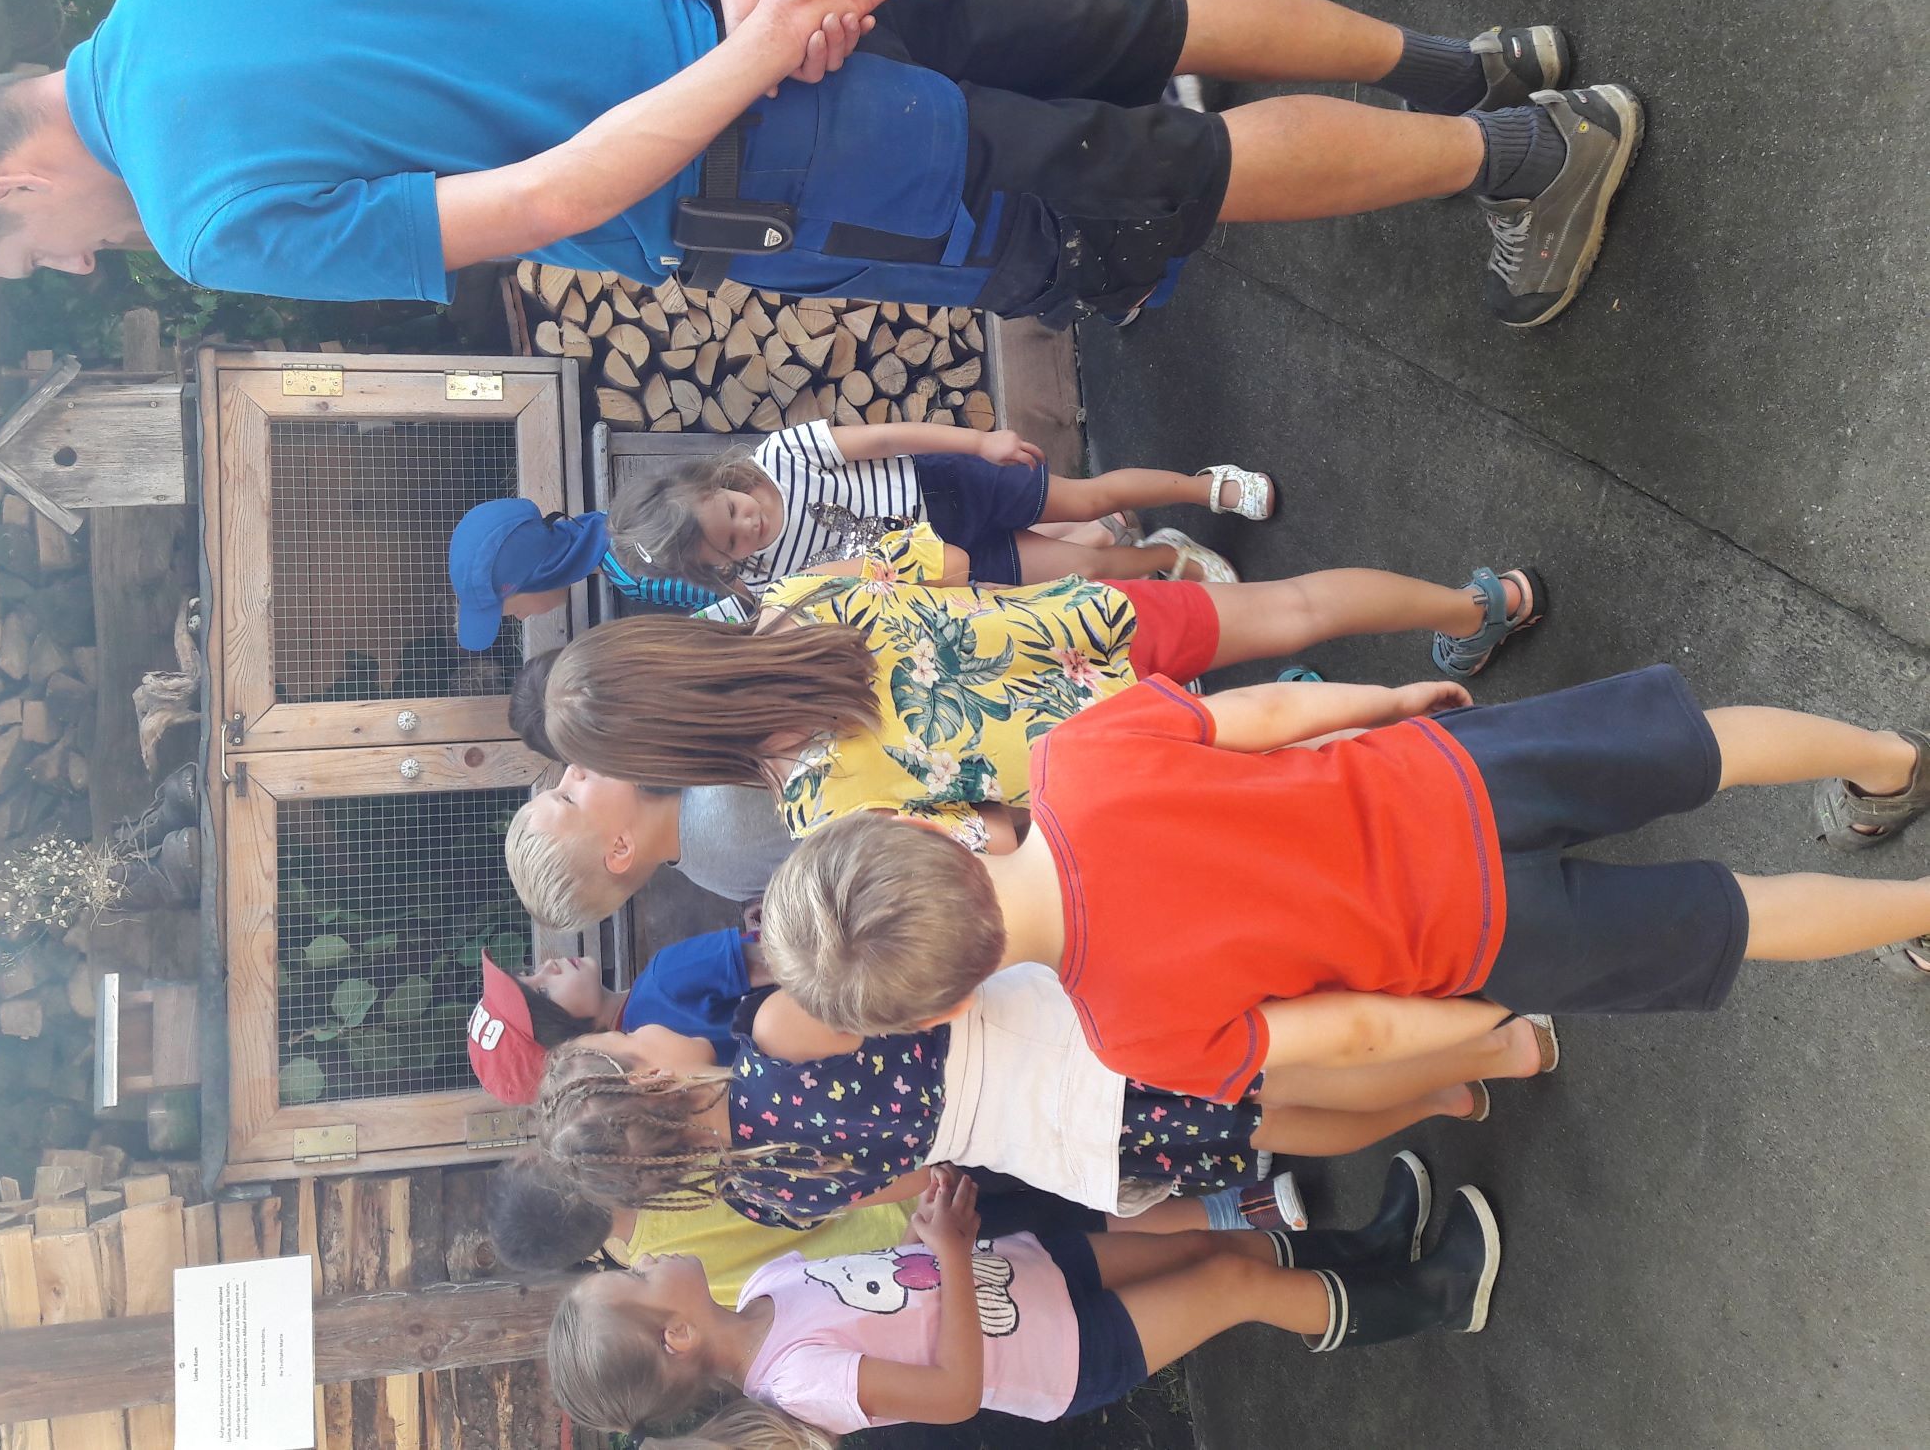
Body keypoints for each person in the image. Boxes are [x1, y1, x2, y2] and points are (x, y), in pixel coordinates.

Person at [0, 0, 1639, 330]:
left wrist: (759, 47)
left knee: (1173, 171)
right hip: (778, 1)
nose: (76, 265)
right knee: (1144, 21)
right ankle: (1476, 64)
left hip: (784, 135)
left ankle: (1531, 158)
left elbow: (549, 203)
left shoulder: (201, 219)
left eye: (33, 259)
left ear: (5, 188)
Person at [756, 666, 1930, 1102]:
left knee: (1734, 916)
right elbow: (1265, 711)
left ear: (941, 1008)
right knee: (1693, 745)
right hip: (1449, 776)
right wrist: (1386, 701)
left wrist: (1474, 1018)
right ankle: (1886, 760)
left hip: (1476, 940)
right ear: (920, 825)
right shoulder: (1077, 756)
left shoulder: (1134, 1038)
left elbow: (1356, 1034)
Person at [536, 524, 1545, 847]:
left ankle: (1487, 753)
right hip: (1084, 622)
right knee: (1293, 605)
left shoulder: (818, 813)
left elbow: (995, 837)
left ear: (666, 758)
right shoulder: (798, 601)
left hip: (1116, 753)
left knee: (1294, 760)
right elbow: (942, 558)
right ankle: (1479, 606)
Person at [547, 1161, 1499, 1450]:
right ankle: (1436, 1296)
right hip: (1060, 1356)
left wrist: (934, 1231)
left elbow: (893, 1284)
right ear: (675, 1332)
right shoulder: (796, 1382)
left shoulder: (762, 1289)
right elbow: (954, 1393)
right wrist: (951, 1256)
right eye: (633, 1277)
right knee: (1229, 1287)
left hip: (1031, 1272)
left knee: (1203, 1246)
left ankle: (1372, 1252)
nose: (646, 1255)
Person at [530, 969, 1541, 1231]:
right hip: (1064, 1046)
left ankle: (1443, 1100)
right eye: (624, 1041)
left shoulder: (761, 1197)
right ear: (646, 1080)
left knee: (1264, 1122)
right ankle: (1497, 1049)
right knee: (1270, 1061)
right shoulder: (773, 1033)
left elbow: (915, 1178)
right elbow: (918, 996)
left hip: (1054, 1141)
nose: (641, 1026)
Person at [610, 417, 1268, 596]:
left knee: (1089, 496)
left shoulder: (780, 456)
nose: (747, 526)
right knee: (1084, 570)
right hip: (943, 562)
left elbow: (885, 438)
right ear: (714, 568)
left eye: (731, 511)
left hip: (950, 487)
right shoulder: (762, 581)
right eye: (729, 544)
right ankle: (1164, 556)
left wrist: (980, 442)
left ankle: (1201, 486)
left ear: (712, 482)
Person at [467, 933, 766, 1105]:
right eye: (543, 992)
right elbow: (784, 960)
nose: (548, 965)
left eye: (529, 971)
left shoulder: (650, 1105)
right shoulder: (663, 979)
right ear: (571, 1051)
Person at [504, 754, 798, 929]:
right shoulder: (724, 801)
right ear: (620, 848)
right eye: (568, 798)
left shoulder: (714, 876)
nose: (571, 772)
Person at [451, 499, 729, 654]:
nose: (522, 618)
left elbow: (737, 591)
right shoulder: (616, 516)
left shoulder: (634, 573)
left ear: (540, 576)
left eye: (513, 612)